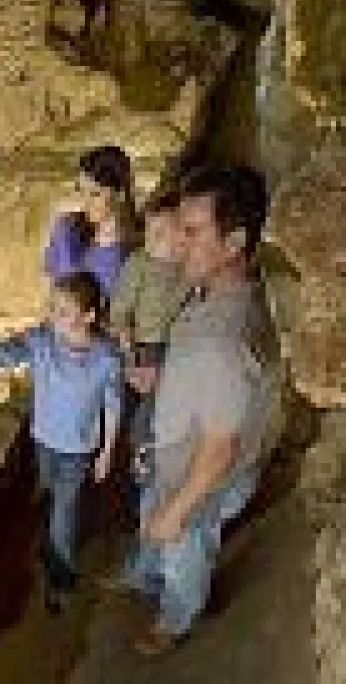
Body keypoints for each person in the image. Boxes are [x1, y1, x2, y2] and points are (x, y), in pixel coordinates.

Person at [115, 164, 279, 657]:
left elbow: (220, 444)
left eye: (192, 231)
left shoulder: (220, 340)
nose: (178, 242)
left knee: (184, 546)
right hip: (174, 455)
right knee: (156, 522)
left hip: (195, 478)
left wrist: (180, 508)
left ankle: (175, 619)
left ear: (234, 242)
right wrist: (165, 381)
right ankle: (145, 575)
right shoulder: (216, 292)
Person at [0, 271, 123, 614]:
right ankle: (53, 544)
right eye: (53, 309)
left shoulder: (106, 358)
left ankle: (61, 580)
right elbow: (12, 350)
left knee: (64, 515)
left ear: (89, 316)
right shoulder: (42, 341)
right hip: (43, 440)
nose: (54, 318)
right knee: (50, 494)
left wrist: (107, 450)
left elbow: (113, 405)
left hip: (79, 450)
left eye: (64, 312)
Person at [108, 185, 190, 515]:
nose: (152, 240)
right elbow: (119, 313)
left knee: (150, 421)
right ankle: (131, 489)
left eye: (162, 232)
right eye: (150, 231)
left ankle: (147, 486)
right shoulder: (139, 265)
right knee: (133, 418)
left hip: (175, 353)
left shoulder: (190, 269)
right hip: (141, 348)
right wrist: (130, 356)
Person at [44, 145, 140, 299]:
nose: (85, 201)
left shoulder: (138, 246)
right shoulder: (66, 229)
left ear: (120, 194)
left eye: (95, 194)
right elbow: (52, 298)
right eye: (81, 191)